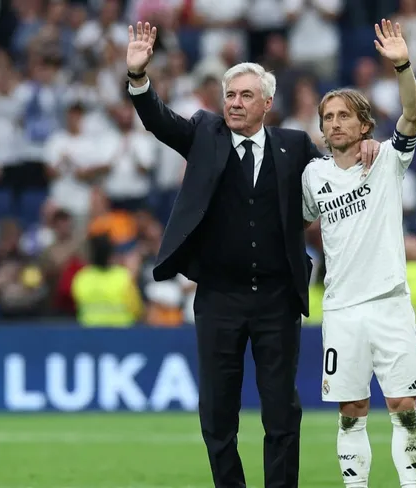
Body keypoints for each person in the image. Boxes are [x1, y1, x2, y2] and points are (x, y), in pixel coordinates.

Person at [124, 22, 380, 488]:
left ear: (267, 103)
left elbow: (336, 174)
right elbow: (159, 121)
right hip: (219, 298)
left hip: (277, 300)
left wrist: (363, 144)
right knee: (217, 412)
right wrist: (139, 78)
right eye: (230, 95)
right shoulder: (205, 133)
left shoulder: (295, 146)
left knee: (282, 412)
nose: (235, 103)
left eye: (246, 95)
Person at [301, 19, 416, 488]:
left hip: (390, 302)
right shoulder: (312, 177)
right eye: (328, 118)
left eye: (343, 116)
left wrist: (402, 65)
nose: (334, 123)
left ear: (365, 125)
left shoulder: (388, 159)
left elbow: (412, 114)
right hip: (341, 309)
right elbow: (292, 221)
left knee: (403, 407)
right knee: (351, 411)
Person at [71, 235, 143, 327]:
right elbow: (136, 309)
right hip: (121, 331)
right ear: (110, 255)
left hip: (89, 330)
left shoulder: (82, 277)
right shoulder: (123, 276)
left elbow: (76, 305)